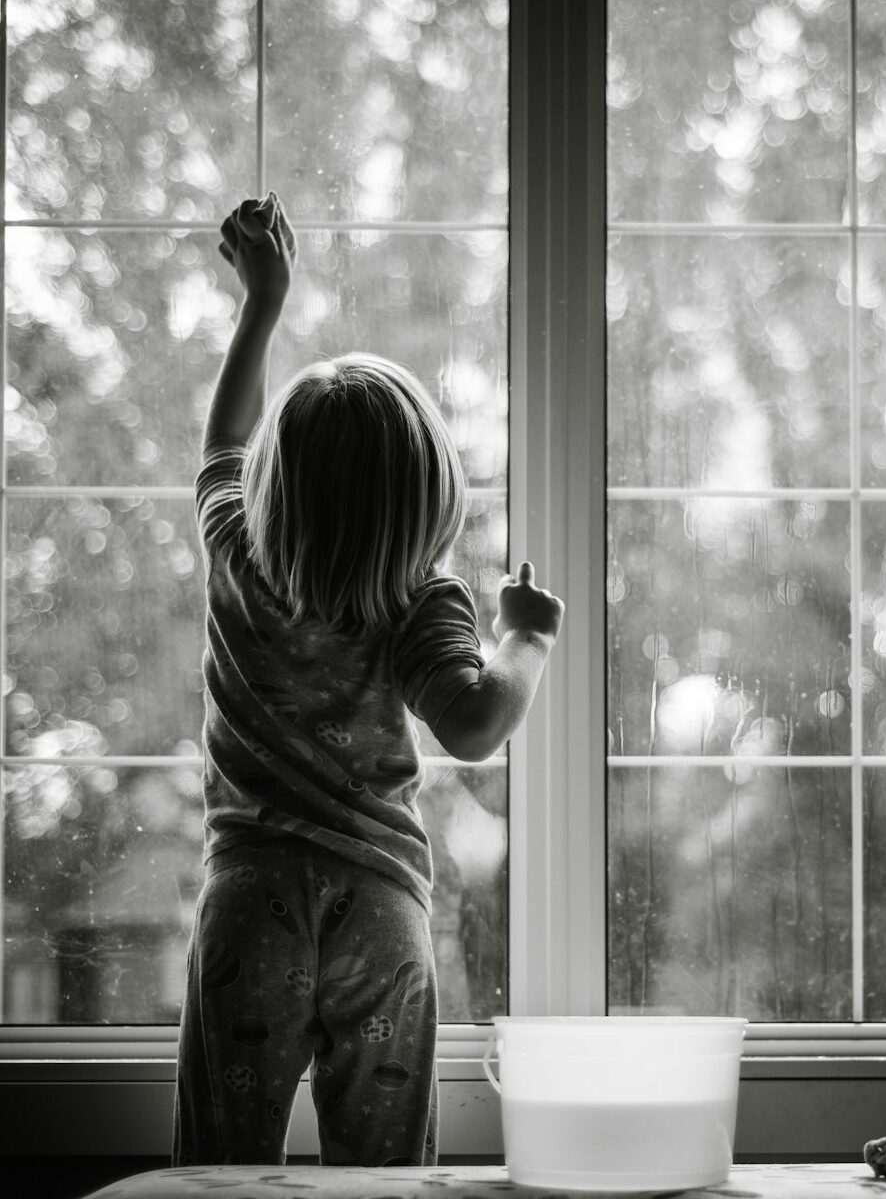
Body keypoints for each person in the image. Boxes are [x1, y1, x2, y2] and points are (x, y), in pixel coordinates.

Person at [173, 193, 564, 1167]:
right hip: (377, 908)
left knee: (224, 1160)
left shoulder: (236, 552)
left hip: (250, 897)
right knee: (383, 1170)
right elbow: (474, 727)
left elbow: (222, 445)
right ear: (429, 497)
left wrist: (262, 303)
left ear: (273, 486)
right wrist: (526, 638)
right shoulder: (419, 599)